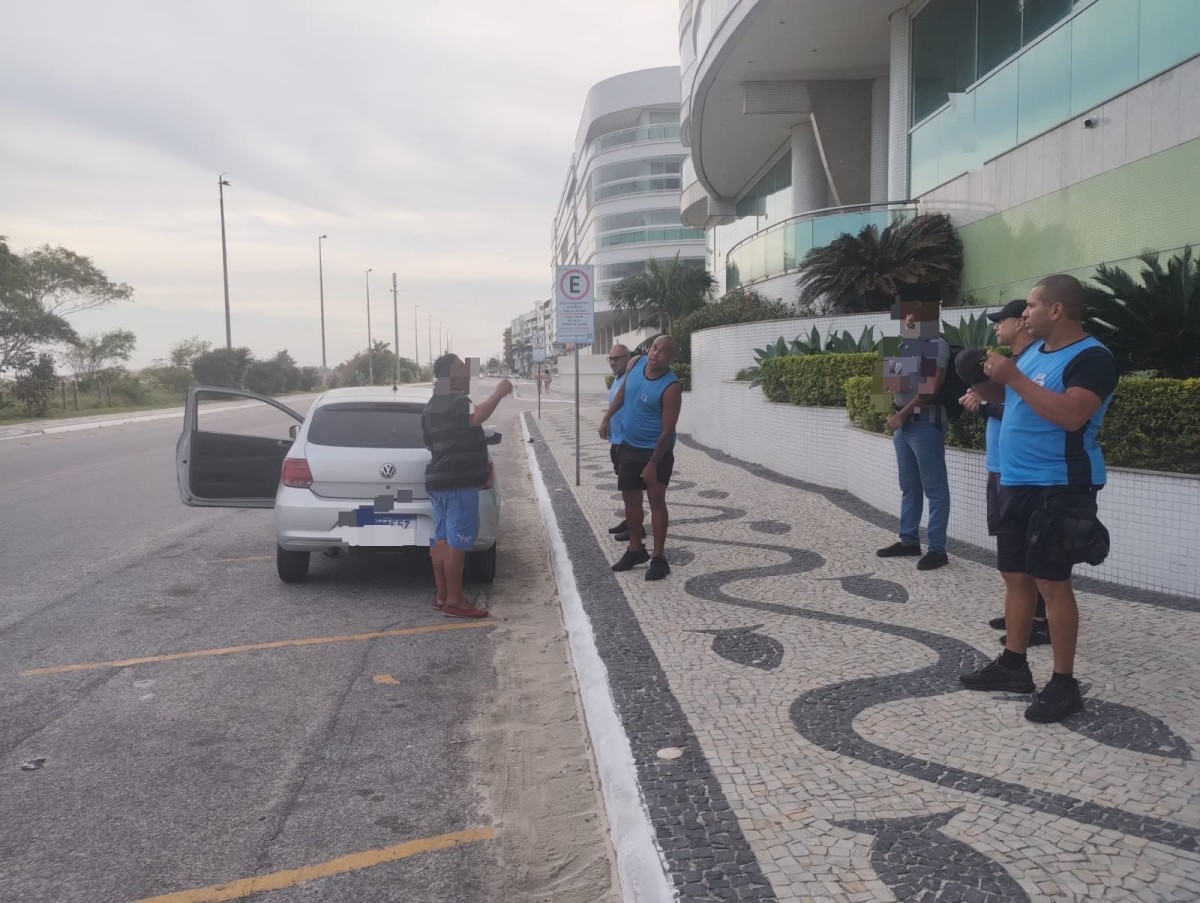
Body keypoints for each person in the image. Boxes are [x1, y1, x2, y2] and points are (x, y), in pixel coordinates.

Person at [959, 274, 1117, 723]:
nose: (1023, 314)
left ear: (1056, 310)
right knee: (1015, 575)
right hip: (1016, 481)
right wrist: (984, 377)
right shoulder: (1031, 357)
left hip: (1060, 485)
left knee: (1053, 582)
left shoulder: (1092, 358)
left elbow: (1071, 415)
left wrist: (1011, 374)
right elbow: (1016, 404)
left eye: (1030, 306)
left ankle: (1064, 682)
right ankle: (1014, 663)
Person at [958, 299, 1049, 647]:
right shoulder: (1012, 365)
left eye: (1003, 320)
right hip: (1001, 465)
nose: (997, 326)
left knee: (1031, 547)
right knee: (1012, 550)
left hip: (1023, 473)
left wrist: (983, 405)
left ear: (1023, 323)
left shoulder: (1029, 365)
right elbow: (1007, 406)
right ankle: (1022, 611)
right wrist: (981, 399)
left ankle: (1039, 620)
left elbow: (1022, 409)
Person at [421, 354, 513, 618]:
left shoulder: (431, 404)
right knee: (458, 544)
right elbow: (477, 417)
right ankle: (455, 600)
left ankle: (441, 596)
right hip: (458, 484)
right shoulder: (455, 398)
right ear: (450, 373)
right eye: (461, 367)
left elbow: (432, 442)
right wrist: (500, 392)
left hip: (439, 482)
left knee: (442, 541)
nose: (467, 371)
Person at [599, 335, 682, 581]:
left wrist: (653, 464)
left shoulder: (671, 387)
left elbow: (668, 432)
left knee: (657, 502)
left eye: (663, 351)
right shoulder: (635, 363)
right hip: (629, 446)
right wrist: (607, 417)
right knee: (631, 501)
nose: (656, 353)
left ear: (670, 357)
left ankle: (658, 558)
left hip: (656, 451)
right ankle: (635, 549)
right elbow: (623, 393)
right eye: (655, 347)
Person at [877, 306, 951, 570]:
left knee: (935, 489)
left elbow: (930, 389)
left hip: (925, 424)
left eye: (913, 318)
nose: (907, 320)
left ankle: (937, 549)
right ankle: (909, 540)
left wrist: (902, 415)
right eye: (907, 317)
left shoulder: (935, 345)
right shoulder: (906, 346)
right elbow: (889, 382)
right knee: (909, 485)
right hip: (905, 426)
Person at [603, 343, 645, 543]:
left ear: (628, 358)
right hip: (617, 440)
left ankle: (636, 527)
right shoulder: (618, 379)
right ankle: (630, 521)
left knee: (632, 488)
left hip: (627, 441)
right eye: (610, 358)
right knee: (625, 486)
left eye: (617, 358)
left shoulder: (632, 379)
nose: (613, 362)